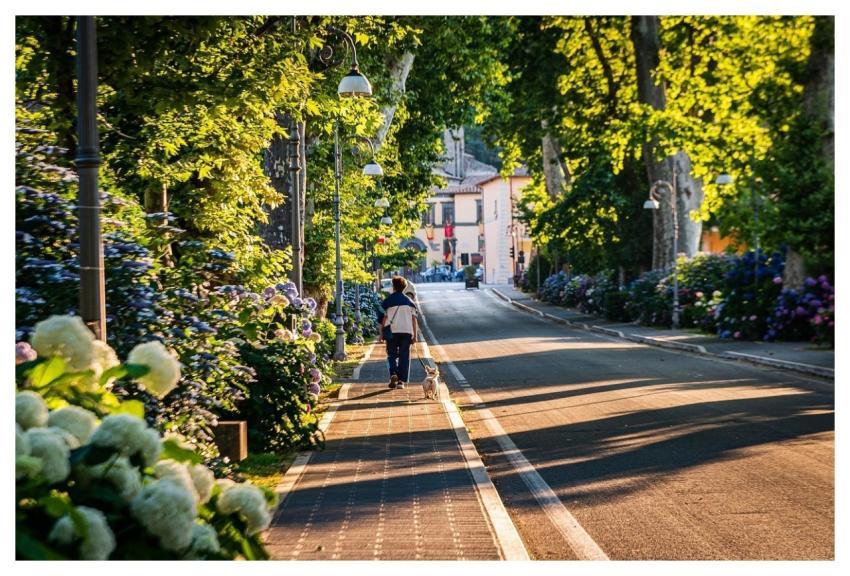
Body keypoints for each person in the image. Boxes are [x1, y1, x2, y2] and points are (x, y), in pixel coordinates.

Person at [377, 276, 418, 389]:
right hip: (406, 331)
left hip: (391, 332)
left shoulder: (387, 301)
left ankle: (393, 373)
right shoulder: (410, 302)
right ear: (404, 287)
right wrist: (415, 335)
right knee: (404, 356)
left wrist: (381, 334)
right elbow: (414, 319)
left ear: (393, 286)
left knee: (391, 355)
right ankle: (401, 381)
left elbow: (382, 319)